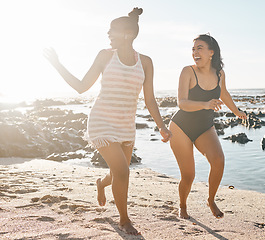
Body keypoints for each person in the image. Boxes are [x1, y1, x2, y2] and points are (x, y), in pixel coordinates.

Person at [44, 8, 171, 235]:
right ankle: (124, 220)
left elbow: (149, 99)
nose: (108, 33)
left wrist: (162, 126)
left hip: (126, 126)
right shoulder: (105, 56)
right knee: (123, 172)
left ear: (127, 34)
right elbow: (82, 87)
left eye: (112, 30)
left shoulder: (146, 62)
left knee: (116, 173)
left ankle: (101, 183)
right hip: (101, 122)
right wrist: (57, 64)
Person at [169, 34, 246, 219]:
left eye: (200, 48)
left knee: (218, 160)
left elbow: (224, 94)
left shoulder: (219, 73)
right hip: (181, 127)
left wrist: (237, 112)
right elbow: (182, 103)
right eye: (193, 49)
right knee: (189, 175)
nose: (195, 52)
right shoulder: (188, 71)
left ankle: (211, 200)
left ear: (211, 52)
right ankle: (182, 206)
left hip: (205, 126)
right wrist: (205, 104)